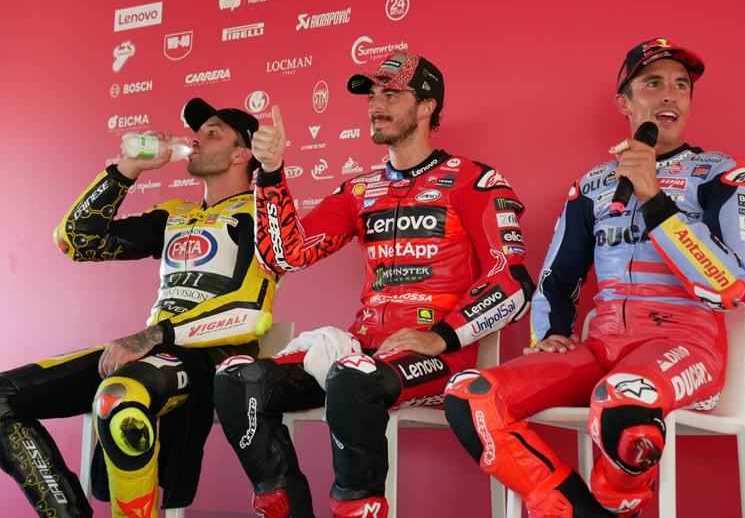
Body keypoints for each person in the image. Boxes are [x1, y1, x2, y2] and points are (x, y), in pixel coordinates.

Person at [444, 37, 745, 516]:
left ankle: (614, 502)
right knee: (471, 396)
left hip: (685, 344)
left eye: (681, 86)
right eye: (653, 83)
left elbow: (726, 285)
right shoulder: (593, 184)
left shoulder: (725, 175)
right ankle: (572, 508)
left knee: (622, 405)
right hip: (601, 348)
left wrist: (654, 198)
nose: (670, 95)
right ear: (625, 102)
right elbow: (558, 277)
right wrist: (550, 333)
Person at [212, 51, 535, 518]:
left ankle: (358, 506)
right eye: (372, 95)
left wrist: (441, 336)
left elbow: (513, 282)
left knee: (351, 378)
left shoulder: (475, 181)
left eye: (391, 94)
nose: (375, 105)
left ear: (426, 107)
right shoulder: (360, 190)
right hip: (362, 351)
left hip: (435, 355)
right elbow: (285, 254)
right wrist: (272, 173)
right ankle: (282, 500)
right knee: (236, 377)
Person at [0, 98, 277, 518]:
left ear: (243, 153)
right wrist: (128, 169)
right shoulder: (174, 214)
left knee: (118, 397)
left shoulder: (263, 214)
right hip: (150, 353)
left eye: (212, 132)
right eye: (198, 131)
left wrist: (153, 335)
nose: (196, 138)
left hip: (210, 359)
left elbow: (249, 311)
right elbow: (75, 240)